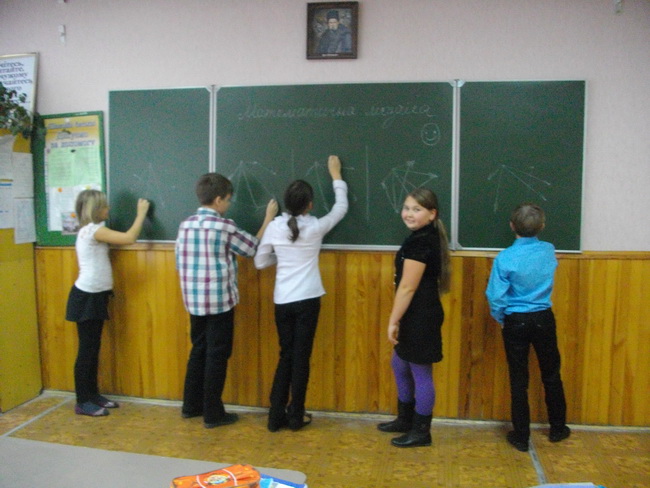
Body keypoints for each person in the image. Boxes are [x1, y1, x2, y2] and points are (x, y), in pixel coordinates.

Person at [254, 155, 348, 432]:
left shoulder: (274, 226)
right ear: (310, 205)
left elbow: (260, 262)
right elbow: (341, 208)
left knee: (286, 356)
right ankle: (295, 416)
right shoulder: (315, 227)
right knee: (301, 358)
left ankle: (275, 416)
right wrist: (336, 176)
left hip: (283, 300)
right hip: (308, 299)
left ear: (286, 203)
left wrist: (281, 258)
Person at [176, 173, 277, 429]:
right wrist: (268, 219)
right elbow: (251, 247)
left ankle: (191, 406)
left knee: (198, 349)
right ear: (218, 200)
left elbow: (179, 260)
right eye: (229, 200)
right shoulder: (224, 226)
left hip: (194, 300)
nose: (229, 204)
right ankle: (213, 413)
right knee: (217, 355)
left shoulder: (185, 225)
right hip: (219, 301)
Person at [485, 203, 570, 452]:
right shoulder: (548, 250)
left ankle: (521, 436)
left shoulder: (504, 258)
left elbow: (495, 296)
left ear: (512, 226)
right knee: (551, 374)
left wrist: (502, 318)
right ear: (542, 226)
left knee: (518, 379)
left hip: (516, 320)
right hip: (543, 318)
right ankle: (558, 428)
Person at [65, 190, 150, 417]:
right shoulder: (93, 230)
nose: (108, 209)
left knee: (93, 350)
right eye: (104, 206)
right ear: (95, 210)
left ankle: (93, 395)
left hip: (96, 296)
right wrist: (141, 213)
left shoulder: (94, 231)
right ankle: (82, 401)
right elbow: (129, 238)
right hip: (86, 298)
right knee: (87, 352)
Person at [378, 188, 451, 448]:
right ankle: (405, 419)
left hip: (421, 315)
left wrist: (393, 320)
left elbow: (407, 287)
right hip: (415, 313)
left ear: (432, 214)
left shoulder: (421, 242)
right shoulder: (420, 237)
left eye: (417, 209)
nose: (409, 213)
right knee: (399, 364)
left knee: (420, 372)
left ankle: (421, 431)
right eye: (407, 208)